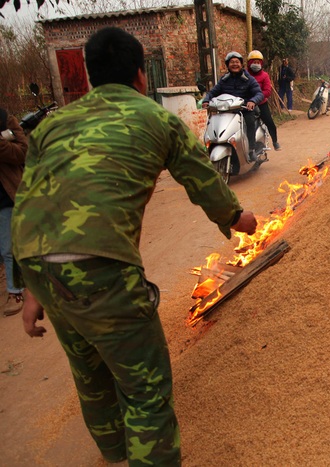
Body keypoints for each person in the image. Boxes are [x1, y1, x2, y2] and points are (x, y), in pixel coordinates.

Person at [12, 27, 257, 466]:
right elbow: (203, 180)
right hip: (102, 268)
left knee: (89, 373)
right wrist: (238, 219)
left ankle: (113, 452)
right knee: (145, 390)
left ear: (88, 76)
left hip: (40, 267)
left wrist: (31, 288)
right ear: (141, 76)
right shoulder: (157, 118)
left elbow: (31, 202)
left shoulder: (52, 125)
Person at [201, 51, 264, 165]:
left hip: (244, 109)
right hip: (227, 110)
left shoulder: (248, 79)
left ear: (241, 64)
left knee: (249, 122)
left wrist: (252, 101)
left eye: (237, 62)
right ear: (227, 65)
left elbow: (259, 93)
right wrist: (206, 100)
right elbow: (213, 92)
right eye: (232, 62)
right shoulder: (224, 80)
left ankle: (251, 150)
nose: (234, 64)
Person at [0, 107, 27, 316]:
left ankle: (15, 292)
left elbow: (21, 152)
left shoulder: (5, 119)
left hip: (6, 196)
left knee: (9, 248)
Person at [247, 50, 281, 151]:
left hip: (261, 103)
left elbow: (267, 91)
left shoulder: (264, 76)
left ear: (261, 63)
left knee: (270, 122)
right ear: (249, 63)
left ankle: (275, 141)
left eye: (258, 62)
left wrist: (256, 99)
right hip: (246, 104)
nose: (256, 64)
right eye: (254, 62)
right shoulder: (245, 74)